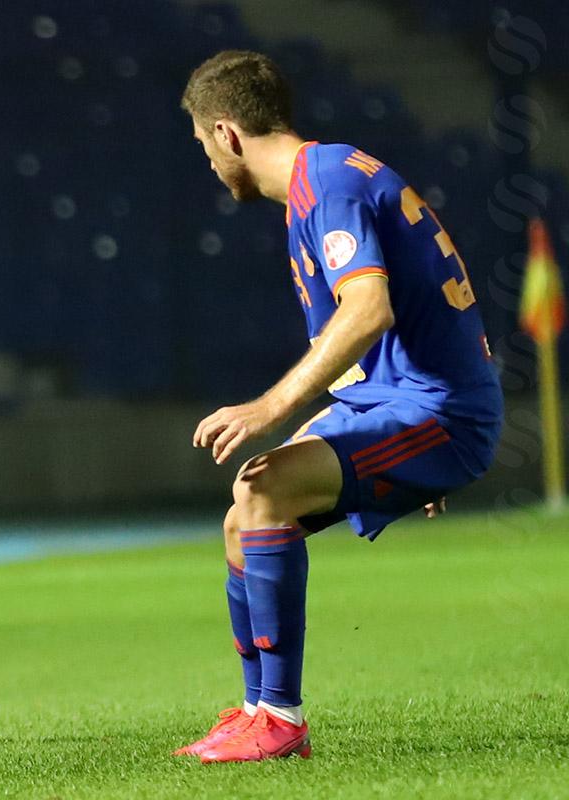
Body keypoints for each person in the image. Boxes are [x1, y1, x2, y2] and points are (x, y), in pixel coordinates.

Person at [174, 50, 502, 762]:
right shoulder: (325, 179)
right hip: (402, 402)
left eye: (203, 145)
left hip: (439, 412)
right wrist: (385, 454)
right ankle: (258, 709)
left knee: (263, 488)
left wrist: (275, 405)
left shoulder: (324, 184)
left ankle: (282, 719)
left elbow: (369, 309)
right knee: (244, 514)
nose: (207, 161)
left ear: (228, 134)